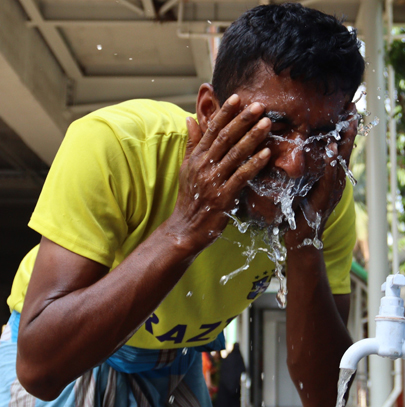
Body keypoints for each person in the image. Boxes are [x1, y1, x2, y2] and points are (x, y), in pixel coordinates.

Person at [0, 3, 365, 407]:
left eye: (318, 137)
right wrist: (185, 228)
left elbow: (324, 395)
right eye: (273, 128)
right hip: (72, 348)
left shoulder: (323, 195)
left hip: (173, 361)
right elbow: (39, 369)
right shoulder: (120, 147)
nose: (294, 164)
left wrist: (303, 242)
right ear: (210, 112)